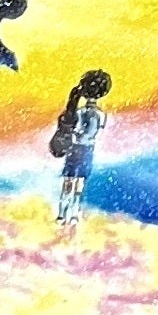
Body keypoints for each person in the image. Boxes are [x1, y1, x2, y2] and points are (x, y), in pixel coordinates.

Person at [50, 67, 111, 230]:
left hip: (74, 148)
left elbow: (74, 130)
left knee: (68, 183)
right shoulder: (100, 114)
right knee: (78, 186)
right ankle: (73, 215)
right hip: (87, 150)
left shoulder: (78, 111)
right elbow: (95, 133)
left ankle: (62, 215)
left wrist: (74, 135)